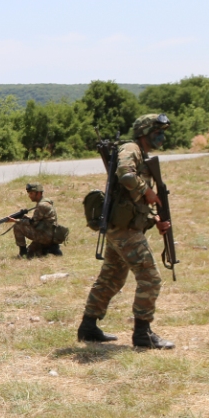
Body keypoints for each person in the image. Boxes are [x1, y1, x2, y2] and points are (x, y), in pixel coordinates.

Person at [77, 113, 174, 349]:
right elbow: (126, 174)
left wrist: (156, 219)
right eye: (157, 133)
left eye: (163, 133)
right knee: (150, 279)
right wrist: (146, 190)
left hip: (122, 226)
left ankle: (88, 328)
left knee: (112, 278)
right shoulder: (131, 148)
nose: (161, 137)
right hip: (123, 230)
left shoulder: (141, 154)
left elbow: (132, 201)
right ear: (145, 133)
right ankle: (143, 334)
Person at [8, 183, 61, 257]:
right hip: (51, 235)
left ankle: (23, 252)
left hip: (45, 236)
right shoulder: (46, 202)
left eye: (31, 193)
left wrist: (16, 220)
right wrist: (24, 217)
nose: (29, 196)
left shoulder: (41, 205)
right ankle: (50, 248)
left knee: (17, 226)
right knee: (32, 253)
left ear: (38, 193)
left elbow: (32, 223)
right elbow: (38, 221)